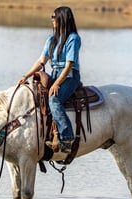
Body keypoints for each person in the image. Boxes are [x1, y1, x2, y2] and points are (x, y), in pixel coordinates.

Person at [18, 6, 81, 153]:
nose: (52, 20)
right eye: (52, 17)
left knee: (54, 99)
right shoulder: (51, 39)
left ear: (63, 19)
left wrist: (57, 83)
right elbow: (41, 61)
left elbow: (69, 65)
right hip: (55, 72)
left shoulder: (73, 38)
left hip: (69, 75)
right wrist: (26, 76)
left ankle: (66, 137)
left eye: (54, 17)